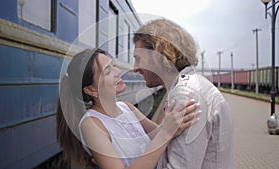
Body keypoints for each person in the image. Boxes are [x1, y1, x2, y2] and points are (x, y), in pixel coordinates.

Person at [56, 48, 200, 169]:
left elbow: (158, 135)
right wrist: (167, 132)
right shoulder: (92, 124)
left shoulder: (127, 107)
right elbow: (163, 136)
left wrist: (172, 122)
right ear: (91, 90)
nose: (118, 71)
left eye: (113, 65)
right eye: (107, 71)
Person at [133, 18, 235, 169]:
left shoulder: (187, 95)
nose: (135, 68)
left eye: (138, 59)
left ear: (157, 55)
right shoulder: (189, 87)